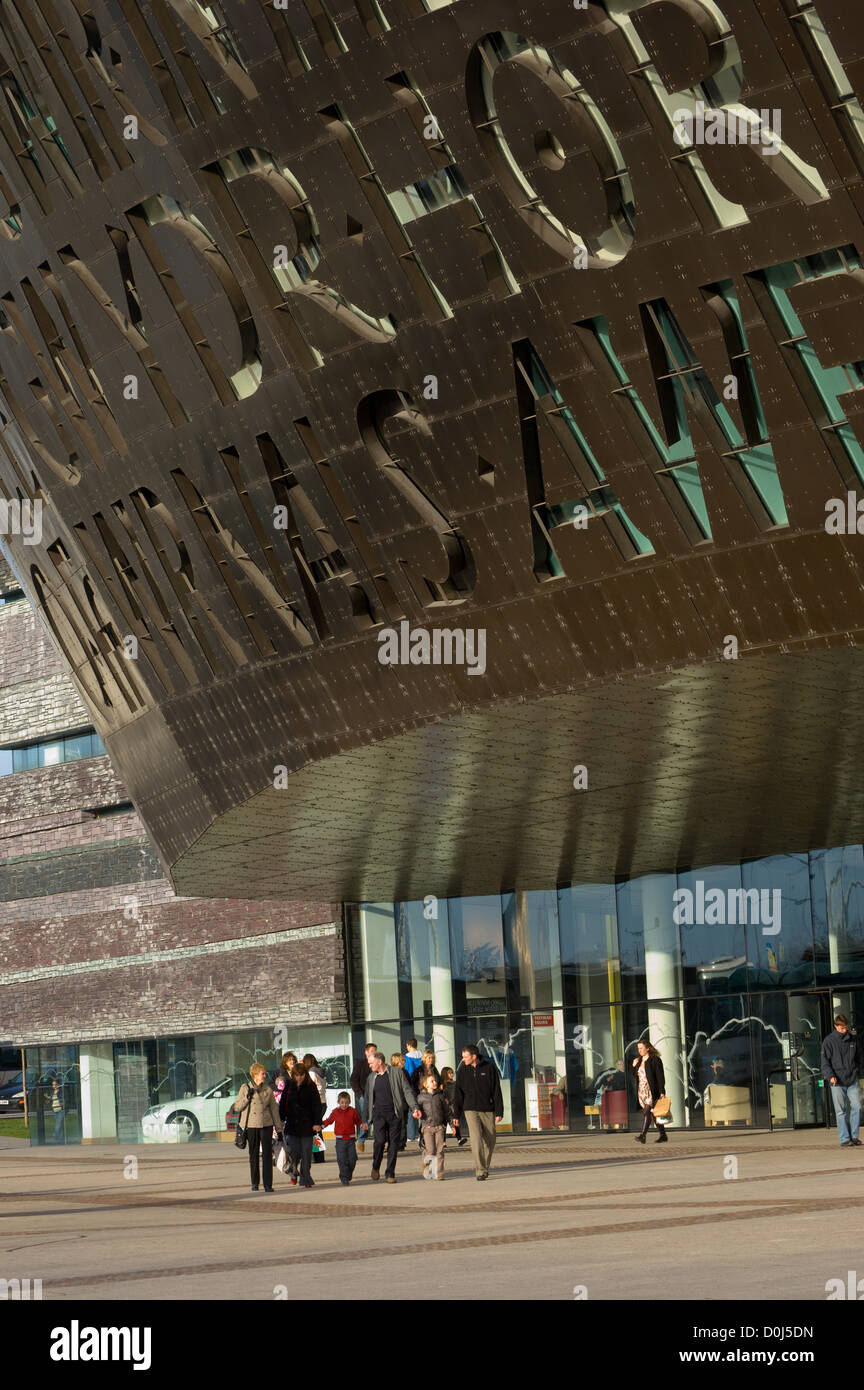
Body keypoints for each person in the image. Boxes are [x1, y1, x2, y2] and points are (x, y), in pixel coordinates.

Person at [362, 1050, 417, 1182]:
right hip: (378, 1115)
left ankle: (390, 1173)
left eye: (371, 1063)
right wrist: (365, 1120)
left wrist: (414, 1107)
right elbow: (368, 1100)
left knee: (393, 1145)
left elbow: (407, 1091)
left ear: (379, 1061)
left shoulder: (397, 1073)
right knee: (379, 1142)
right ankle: (376, 1166)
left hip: (395, 1114)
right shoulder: (371, 1078)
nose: (369, 1066)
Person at [452, 1044, 503, 1180]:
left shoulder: (489, 1067)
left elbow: (496, 1090)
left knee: (490, 1140)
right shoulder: (462, 1070)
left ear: (474, 1056)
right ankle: (480, 1170)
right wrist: (456, 1114)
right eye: (462, 1057)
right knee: (475, 1139)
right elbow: (458, 1093)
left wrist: (499, 1111)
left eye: (465, 1057)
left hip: (488, 1108)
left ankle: (484, 1166)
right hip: (470, 1109)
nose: (463, 1060)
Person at [232, 1063, 283, 1192]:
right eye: (262, 1073)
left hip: (266, 1125)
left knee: (267, 1155)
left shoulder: (268, 1090)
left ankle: (268, 1184)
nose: (265, 1076)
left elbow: (274, 1110)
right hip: (251, 1126)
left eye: (265, 1073)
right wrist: (247, 1097)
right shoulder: (245, 1088)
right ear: (255, 1075)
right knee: (253, 1155)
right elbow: (237, 1107)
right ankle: (255, 1183)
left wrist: (279, 1129)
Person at [279, 1061, 324, 1187]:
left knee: (306, 1153)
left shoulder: (311, 1086)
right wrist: (281, 1120)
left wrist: (317, 1123)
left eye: (302, 1075)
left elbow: (317, 1106)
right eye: (297, 1075)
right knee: (294, 1153)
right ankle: (293, 1172)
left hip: (307, 1125)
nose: (299, 1078)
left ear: (305, 1074)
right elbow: (283, 1103)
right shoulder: (289, 1085)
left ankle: (305, 1178)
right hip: (292, 1125)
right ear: (293, 1075)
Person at [821, 1014, 862, 1147]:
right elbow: (824, 1062)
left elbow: (859, 1058)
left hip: (852, 1079)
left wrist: (858, 1071)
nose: (845, 1030)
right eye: (842, 1028)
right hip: (836, 1081)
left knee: (857, 1106)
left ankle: (854, 1136)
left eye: (846, 1027)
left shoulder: (853, 1040)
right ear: (836, 1026)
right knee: (841, 1111)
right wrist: (830, 1075)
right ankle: (845, 1138)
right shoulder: (829, 1041)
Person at [413, 1073, 450, 1179]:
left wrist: (451, 1124)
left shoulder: (440, 1096)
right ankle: (428, 1170)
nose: (435, 1083)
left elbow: (446, 1112)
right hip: (427, 1127)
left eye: (435, 1081)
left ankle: (439, 1173)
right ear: (425, 1084)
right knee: (431, 1150)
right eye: (432, 1081)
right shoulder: (421, 1097)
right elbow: (416, 1109)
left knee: (439, 1150)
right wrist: (416, 1112)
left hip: (439, 1127)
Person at [322, 1091, 362, 1184]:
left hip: (351, 1140)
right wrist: (321, 1126)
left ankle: (348, 1173)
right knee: (342, 1160)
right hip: (340, 1141)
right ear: (338, 1102)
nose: (344, 1105)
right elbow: (329, 1121)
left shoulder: (352, 1111)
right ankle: (344, 1177)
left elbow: (358, 1121)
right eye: (342, 1102)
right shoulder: (336, 1112)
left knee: (352, 1159)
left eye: (346, 1102)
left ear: (350, 1102)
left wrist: (362, 1126)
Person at [632, 1040, 667, 1144]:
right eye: (638, 1048)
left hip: (651, 1091)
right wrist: (634, 1066)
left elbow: (660, 1077)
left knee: (646, 1112)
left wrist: (662, 1091)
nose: (639, 1050)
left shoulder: (655, 1060)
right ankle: (663, 1135)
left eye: (641, 1048)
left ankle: (643, 1136)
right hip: (642, 1091)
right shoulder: (639, 1060)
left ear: (647, 1048)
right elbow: (635, 1075)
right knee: (654, 1114)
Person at [350, 1041, 377, 1154]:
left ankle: (378, 1142)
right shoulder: (360, 1064)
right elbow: (353, 1080)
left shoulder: (378, 1063)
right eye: (371, 1051)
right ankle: (361, 1139)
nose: (374, 1053)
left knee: (377, 1118)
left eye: (375, 1051)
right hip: (364, 1096)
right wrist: (360, 1094)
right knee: (367, 1118)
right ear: (366, 1052)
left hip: (377, 1095)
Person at [403, 1038, 423, 1144]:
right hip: (423, 1085)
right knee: (423, 1109)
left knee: (412, 1110)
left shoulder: (407, 1058)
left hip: (412, 1086)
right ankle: (422, 1134)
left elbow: (408, 1072)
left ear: (408, 1045)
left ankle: (411, 1135)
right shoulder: (422, 1056)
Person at [391, 1053, 411, 1149]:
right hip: (395, 1101)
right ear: (396, 1061)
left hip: (404, 1101)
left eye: (404, 1060)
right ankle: (394, 1142)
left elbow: (408, 1087)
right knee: (395, 1123)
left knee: (403, 1123)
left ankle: (401, 1143)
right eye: (402, 1060)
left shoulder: (405, 1072)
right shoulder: (391, 1072)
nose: (404, 1062)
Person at [440, 1065, 458, 1142]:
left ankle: (459, 1139)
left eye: (452, 1073)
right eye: (449, 1073)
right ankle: (443, 1141)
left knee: (455, 1121)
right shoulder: (442, 1085)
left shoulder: (455, 1083)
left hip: (453, 1105)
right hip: (445, 1107)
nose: (451, 1075)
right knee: (444, 1124)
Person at [50, 1078, 64, 1144]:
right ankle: (61, 1139)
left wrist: (62, 1104)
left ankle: (54, 1135)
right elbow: (52, 1099)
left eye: (55, 1084)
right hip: (55, 1110)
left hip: (60, 1109)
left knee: (58, 1124)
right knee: (59, 1124)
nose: (54, 1086)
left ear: (58, 1085)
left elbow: (63, 1099)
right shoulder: (52, 1092)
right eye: (53, 1085)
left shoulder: (61, 1091)